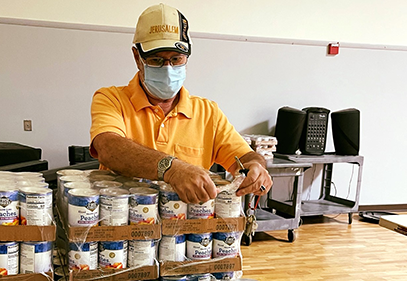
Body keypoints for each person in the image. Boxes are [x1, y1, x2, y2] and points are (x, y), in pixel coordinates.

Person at [90, 3, 272, 204]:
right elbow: (109, 148)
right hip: (123, 224)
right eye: (156, 60)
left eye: (176, 59)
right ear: (137, 57)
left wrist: (257, 167)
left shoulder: (207, 112)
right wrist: (171, 168)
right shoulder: (111, 99)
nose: (167, 69)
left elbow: (245, 157)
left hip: (188, 228)